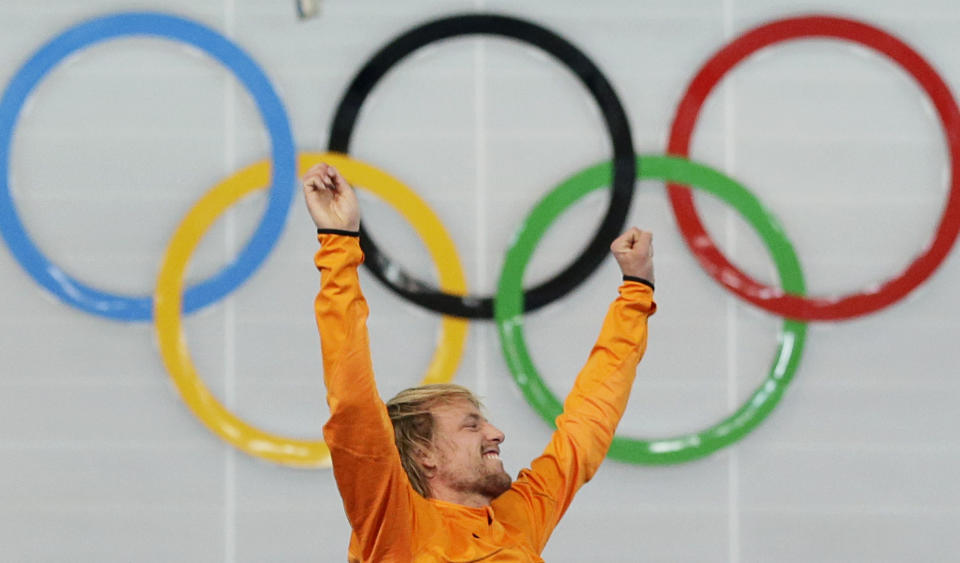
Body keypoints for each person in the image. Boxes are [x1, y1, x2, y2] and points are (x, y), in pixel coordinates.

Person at [304, 162, 656, 562]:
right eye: (472, 424)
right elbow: (353, 402)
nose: (497, 432)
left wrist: (636, 292)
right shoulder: (395, 524)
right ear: (425, 454)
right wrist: (338, 241)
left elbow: (586, 426)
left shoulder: (516, 520)